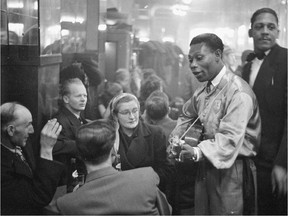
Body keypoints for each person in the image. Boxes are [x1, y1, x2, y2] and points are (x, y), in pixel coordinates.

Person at [169, 33, 261, 215]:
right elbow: (187, 115)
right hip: (207, 164)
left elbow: (230, 138)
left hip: (234, 170)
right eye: (190, 60)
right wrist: (176, 139)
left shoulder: (238, 93)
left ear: (218, 55)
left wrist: (196, 151)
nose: (193, 65)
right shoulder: (204, 90)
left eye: (199, 58)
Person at [46, 119, 172, 215]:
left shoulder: (68, 204)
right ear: (113, 151)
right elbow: (166, 211)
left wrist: (45, 149)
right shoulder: (146, 178)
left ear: (80, 155)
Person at [242, 8, 287, 215]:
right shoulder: (247, 66)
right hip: (251, 161)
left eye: (271, 27)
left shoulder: (286, 61)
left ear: (278, 32)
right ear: (251, 32)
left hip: (276, 162)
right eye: (259, 27)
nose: (265, 32)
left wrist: (282, 163)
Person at [1, 102, 64, 215]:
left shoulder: (22, 142)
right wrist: (46, 149)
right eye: (28, 125)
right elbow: (38, 198)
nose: (32, 131)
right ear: (11, 130)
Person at [107, 92, 174, 192]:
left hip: (147, 191)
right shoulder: (109, 137)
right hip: (119, 192)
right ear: (115, 115)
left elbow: (166, 170)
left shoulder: (156, 134)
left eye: (135, 111)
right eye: (125, 113)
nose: (132, 117)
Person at [53, 78, 88, 192]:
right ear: (66, 99)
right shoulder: (59, 121)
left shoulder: (79, 118)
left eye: (85, 96)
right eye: (78, 96)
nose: (83, 99)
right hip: (68, 182)